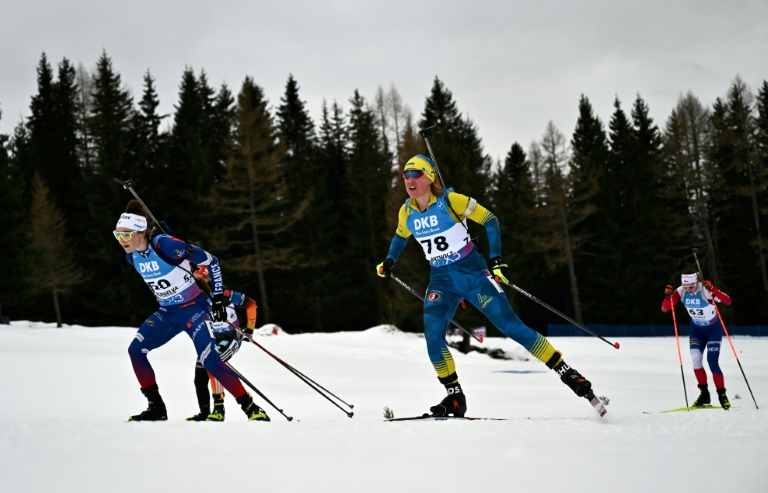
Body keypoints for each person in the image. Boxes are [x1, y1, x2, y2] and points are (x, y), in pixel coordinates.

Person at [375, 154, 598, 417]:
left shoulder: (451, 201)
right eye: (405, 175)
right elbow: (401, 236)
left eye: (416, 175)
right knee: (433, 339)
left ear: (430, 177)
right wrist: (389, 261)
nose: (409, 180)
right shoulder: (406, 211)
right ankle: (455, 397)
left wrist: (496, 260)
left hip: (472, 274)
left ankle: (568, 373)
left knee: (511, 327)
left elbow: (490, 220)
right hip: (441, 280)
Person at [115, 200, 269, 421]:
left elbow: (212, 262)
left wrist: (216, 299)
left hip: (194, 310)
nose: (122, 241)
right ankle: (156, 407)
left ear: (141, 232)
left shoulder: (165, 245)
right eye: (117, 235)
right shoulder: (132, 257)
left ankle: (251, 408)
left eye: (126, 235)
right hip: (168, 313)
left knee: (210, 361)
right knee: (135, 350)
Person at [186, 265, 258, 422]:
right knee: (199, 377)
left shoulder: (224, 294)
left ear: (208, 279)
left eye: (201, 279)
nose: (197, 283)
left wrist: (250, 329)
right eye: (194, 280)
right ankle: (204, 413)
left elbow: (251, 304)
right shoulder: (192, 297)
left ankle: (219, 409)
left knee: (213, 364)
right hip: (212, 339)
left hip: (231, 337)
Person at [661, 273, 732, 409]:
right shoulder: (681, 291)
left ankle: (722, 395)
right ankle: (704, 394)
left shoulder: (705, 290)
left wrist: (714, 289)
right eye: (686, 287)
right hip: (697, 330)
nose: (689, 290)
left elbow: (727, 301)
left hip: (713, 330)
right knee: (696, 360)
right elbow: (665, 308)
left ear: (697, 283)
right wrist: (667, 296)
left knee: (712, 361)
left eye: (692, 287)